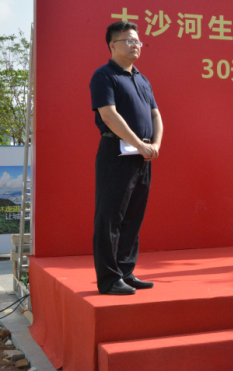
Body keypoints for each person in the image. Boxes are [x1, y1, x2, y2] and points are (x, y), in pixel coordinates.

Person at [89, 21, 163, 295]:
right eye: (129, 41)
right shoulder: (104, 76)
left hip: (141, 155)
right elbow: (109, 115)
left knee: (133, 216)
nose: (135, 45)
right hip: (116, 153)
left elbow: (155, 114)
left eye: (138, 41)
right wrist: (139, 144)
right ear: (112, 45)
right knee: (110, 217)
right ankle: (109, 279)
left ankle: (125, 272)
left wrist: (154, 144)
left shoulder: (142, 79)